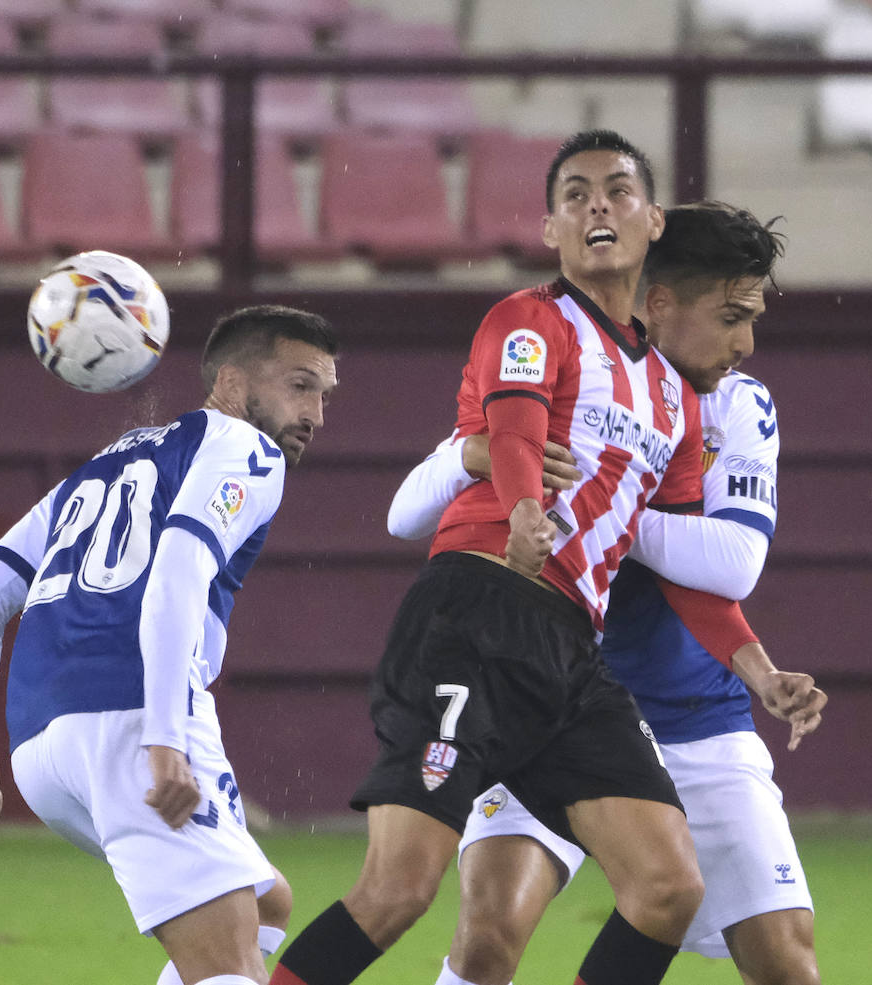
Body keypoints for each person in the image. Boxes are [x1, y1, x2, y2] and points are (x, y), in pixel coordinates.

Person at [270, 130, 709, 985]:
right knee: (399, 889)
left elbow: (686, 548)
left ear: (654, 220)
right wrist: (523, 515)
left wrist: (756, 664)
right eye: (575, 195)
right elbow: (512, 428)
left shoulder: (674, 396)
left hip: (571, 651)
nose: (596, 207)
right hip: (476, 611)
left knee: (667, 886)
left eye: (617, 191)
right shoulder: (529, 319)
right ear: (551, 229)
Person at [389, 202, 828, 985]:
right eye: (731, 316)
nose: (746, 343)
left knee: (788, 964)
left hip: (696, 717)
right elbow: (405, 510)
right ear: (655, 299)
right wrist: (478, 455)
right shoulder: (555, 367)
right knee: (488, 934)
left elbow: (733, 566)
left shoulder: (737, 405)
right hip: (550, 708)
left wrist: (609, 499)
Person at [0, 305, 339, 985]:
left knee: (266, 901)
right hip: (135, 723)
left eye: (325, 393)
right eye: (300, 385)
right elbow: (177, 568)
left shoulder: (97, 469)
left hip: (38, 754)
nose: (316, 414)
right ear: (232, 382)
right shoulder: (246, 448)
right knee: (228, 964)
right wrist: (165, 738)